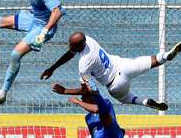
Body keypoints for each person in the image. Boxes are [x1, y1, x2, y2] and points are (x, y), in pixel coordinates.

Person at [41, 32, 181, 110]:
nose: (69, 46)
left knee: (126, 99)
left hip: (115, 84)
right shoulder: (88, 39)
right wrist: (53, 68)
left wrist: (65, 91)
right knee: (153, 60)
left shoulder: (84, 64)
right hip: (123, 65)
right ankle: (166, 56)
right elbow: (71, 53)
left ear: (78, 45)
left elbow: (85, 91)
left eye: (71, 44)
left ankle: (145, 102)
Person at [53, 76, 125, 138]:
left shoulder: (106, 103)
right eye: (82, 98)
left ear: (92, 97)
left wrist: (78, 102)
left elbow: (96, 109)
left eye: (84, 97)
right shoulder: (88, 118)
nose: (82, 98)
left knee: (103, 112)